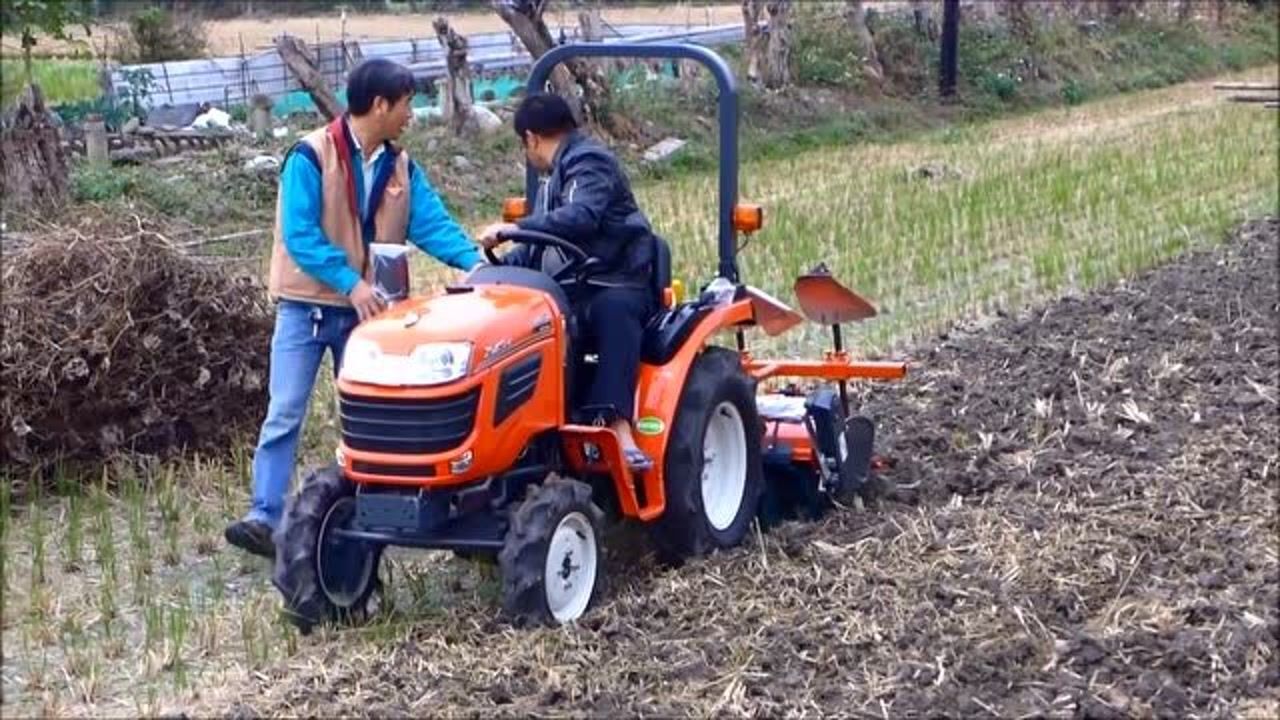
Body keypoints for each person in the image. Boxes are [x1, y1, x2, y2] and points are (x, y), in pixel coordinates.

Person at [225, 58, 483, 559]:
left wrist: (477, 265)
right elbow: (299, 234)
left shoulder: (400, 167)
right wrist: (351, 283)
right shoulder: (310, 156)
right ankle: (264, 516)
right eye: (407, 103)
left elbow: (431, 224)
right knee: (284, 412)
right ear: (381, 105)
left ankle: (369, 515)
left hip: (367, 318)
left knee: (371, 419)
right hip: (307, 307)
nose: (412, 113)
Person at [478, 93, 657, 470]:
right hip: (578, 282)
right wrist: (490, 275)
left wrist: (515, 227)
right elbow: (540, 245)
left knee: (611, 313)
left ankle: (617, 426)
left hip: (618, 280)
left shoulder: (590, 162)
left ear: (531, 138)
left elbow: (582, 217)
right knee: (532, 326)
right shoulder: (552, 180)